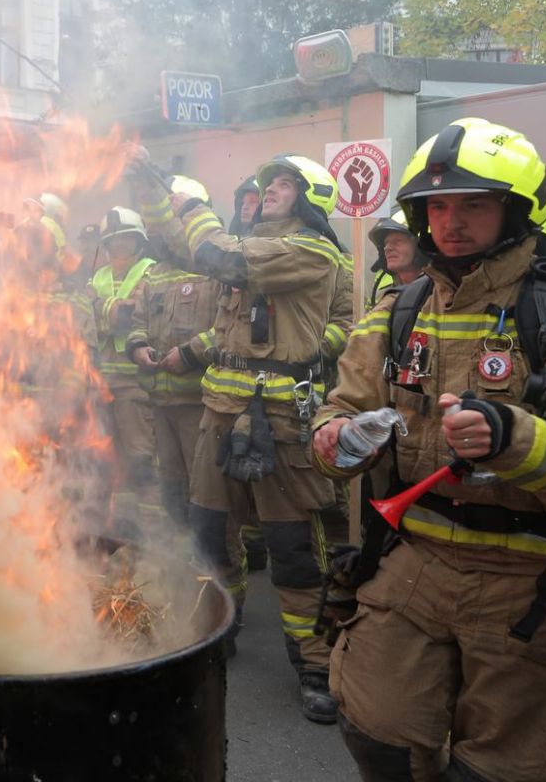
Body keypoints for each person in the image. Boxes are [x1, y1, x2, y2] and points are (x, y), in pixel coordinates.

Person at [311, 118, 546, 782]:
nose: (452, 222)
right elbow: (339, 407)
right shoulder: (397, 310)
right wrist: (335, 440)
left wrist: (514, 436)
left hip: (534, 580)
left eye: (473, 203)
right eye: (437, 206)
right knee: (376, 732)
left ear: (516, 208)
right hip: (413, 563)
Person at [128, 149, 350, 723]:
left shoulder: (309, 250)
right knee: (210, 534)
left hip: (278, 423)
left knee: (292, 550)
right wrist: (150, 188)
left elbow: (223, 257)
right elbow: (181, 248)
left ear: (308, 198)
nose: (267, 190)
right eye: (266, 182)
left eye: (281, 184)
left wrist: (195, 205)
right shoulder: (249, 249)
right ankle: (215, 631)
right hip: (218, 414)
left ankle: (315, 665)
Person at [129, 176, 219, 528]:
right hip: (160, 400)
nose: (157, 232)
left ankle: (210, 559)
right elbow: (139, 320)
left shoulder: (216, 271)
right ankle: (177, 553)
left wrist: (190, 354)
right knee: (170, 482)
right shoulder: (155, 274)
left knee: (206, 487)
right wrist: (138, 347)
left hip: (200, 402)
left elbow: (228, 330)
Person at [85, 207, 157, 515]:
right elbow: (84, 318)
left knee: (141, 456)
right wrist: (113, 312)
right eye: (114, 242)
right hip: (104, 385)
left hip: (135, 386)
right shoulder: (98, 275)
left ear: (138, 240)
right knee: (110, 458)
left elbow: (134, 317)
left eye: (126, 240)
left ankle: (154, 527)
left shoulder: (149, 271)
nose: (120, 247)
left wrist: (104, 310)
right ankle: (125, 525)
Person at [367, 210, 426, 306]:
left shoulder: (438, 293)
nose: (387, 248)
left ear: (419, 246)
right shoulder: (382, 294)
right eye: (386, 243)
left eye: (397, 241)